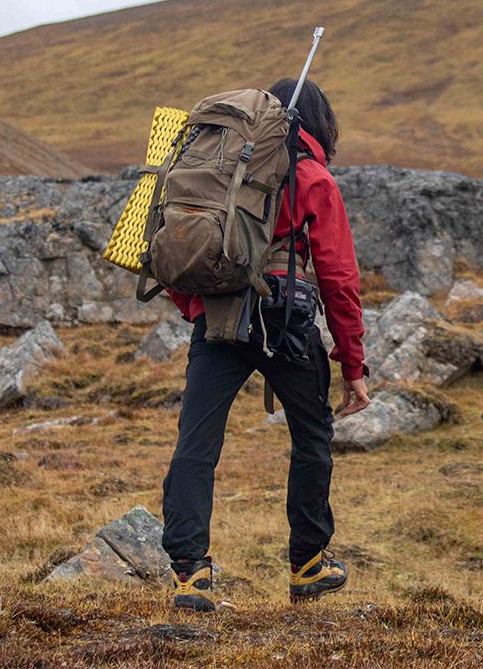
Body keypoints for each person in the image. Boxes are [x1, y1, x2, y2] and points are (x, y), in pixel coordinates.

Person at [159, 79, 371, 612]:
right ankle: (306, 564)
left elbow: (180, 249)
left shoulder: (218, 169)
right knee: (311, 438)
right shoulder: (313, 177)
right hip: (284, 322)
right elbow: (340, 277)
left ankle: (189, 574)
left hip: (217, 319)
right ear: (320, 125)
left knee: (196, 447)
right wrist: (352, 364)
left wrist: (197, 311)